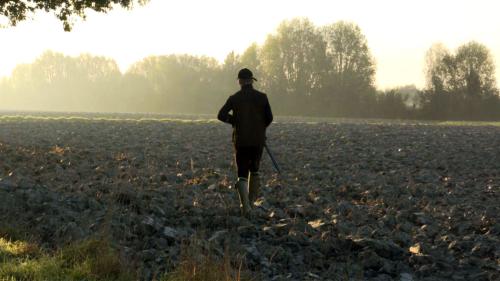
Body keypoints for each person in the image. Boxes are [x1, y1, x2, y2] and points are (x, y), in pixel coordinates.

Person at [217, 68, 273, 216]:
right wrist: (260, 129)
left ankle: (245, 206)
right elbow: (269, 118)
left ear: (240, 81)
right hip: (257, 141)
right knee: (254, 170)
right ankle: (251, 203)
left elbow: (221, 115)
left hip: (241, 141)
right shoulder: (262, 97)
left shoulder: (234, 98)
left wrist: (234, 121)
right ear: (251, 80)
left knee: (242, 172)